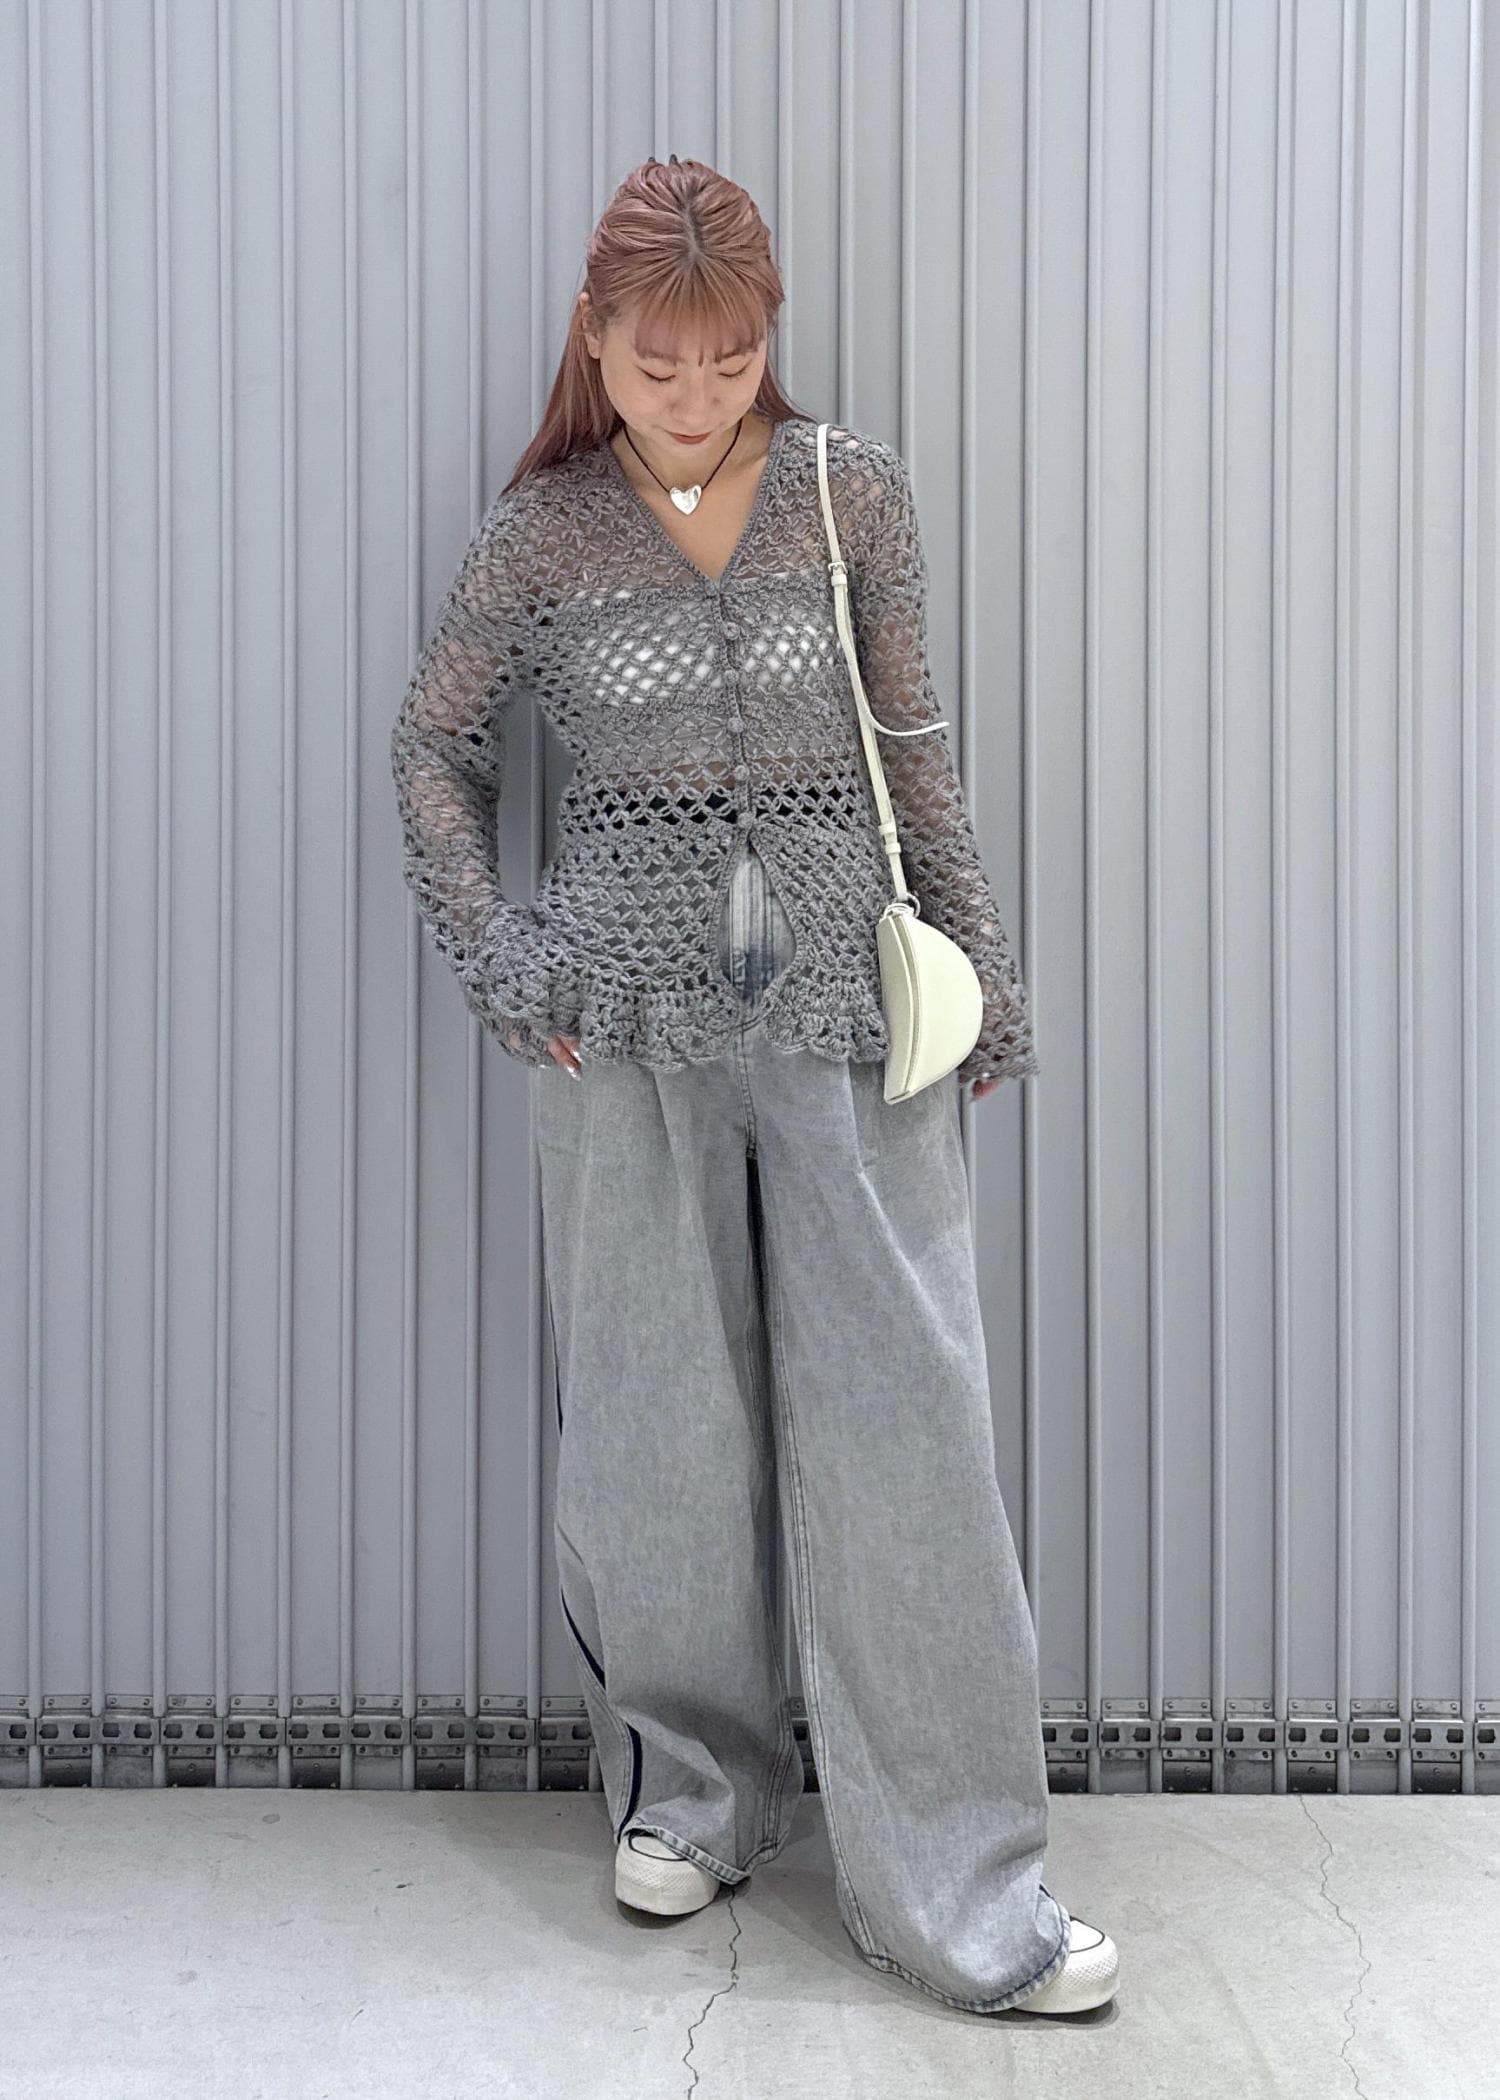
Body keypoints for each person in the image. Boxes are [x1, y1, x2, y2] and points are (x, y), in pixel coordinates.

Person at [390, 155, 1117, 2019]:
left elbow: (915, 751)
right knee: (655, 1422)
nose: (697, 394)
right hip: (624, 1027)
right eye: (659, 363)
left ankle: (963, 1881)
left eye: (728, 358)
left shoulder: (847, 490)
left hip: (847, 1015)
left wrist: (986, 990)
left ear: (765, 339)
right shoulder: (543, 535)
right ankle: (691, 1797)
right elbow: (433, 749)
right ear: (597, 341)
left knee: (908, 1431)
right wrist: (506, 960)